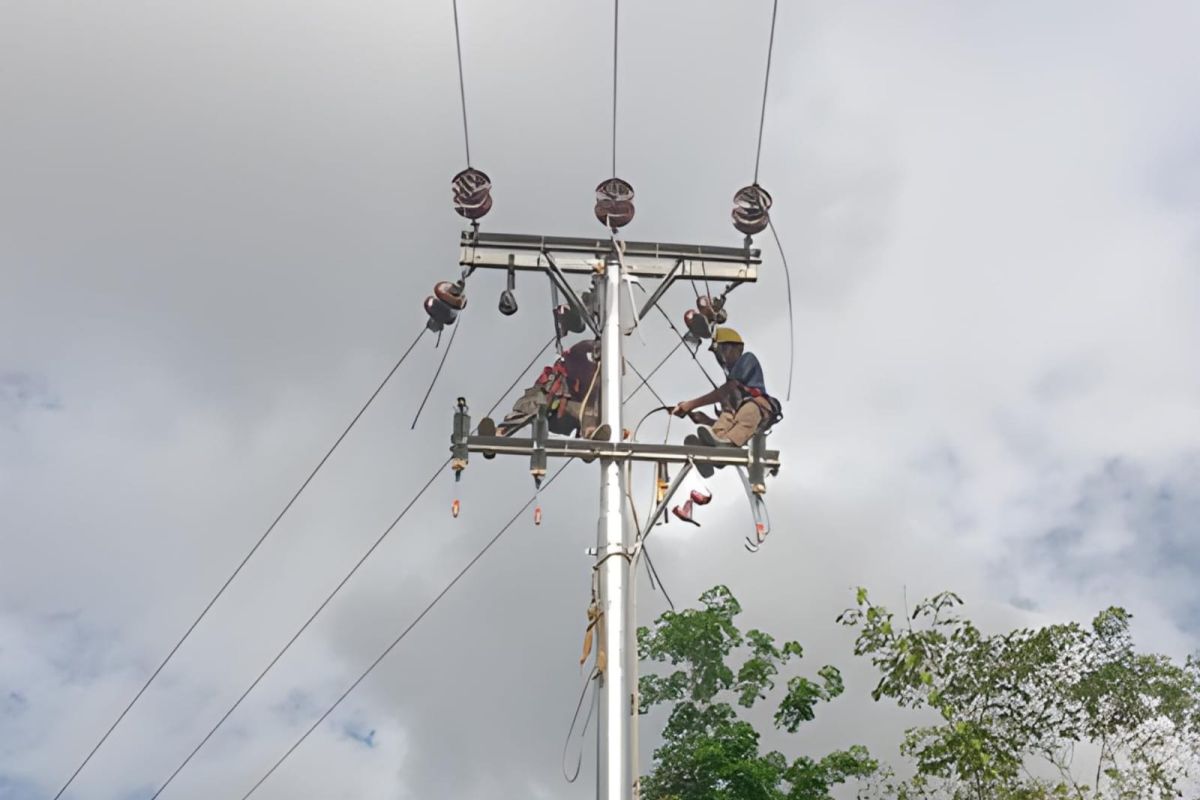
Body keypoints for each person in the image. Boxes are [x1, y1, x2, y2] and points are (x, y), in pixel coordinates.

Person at [671, 327, 780, 449]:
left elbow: (725, 390)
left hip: (759, 407)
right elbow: (734, 422)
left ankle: (728, 442)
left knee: (749, 409)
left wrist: (689, 405)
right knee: (727, 413)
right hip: (742, 414)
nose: (722, 356)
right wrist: (706, 420)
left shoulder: (747, 359)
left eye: (724, 349)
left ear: (738, 348)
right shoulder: (733, 388)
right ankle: (713, 445)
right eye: (719, 352)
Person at [487, 340, 604, 439]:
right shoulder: (578, 361)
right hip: (557, 410)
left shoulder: (603, 377)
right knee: (534, 402)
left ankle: (593, 435)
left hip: (573, 415)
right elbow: (577, 350)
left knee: (589, 414)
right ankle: (500, 431)